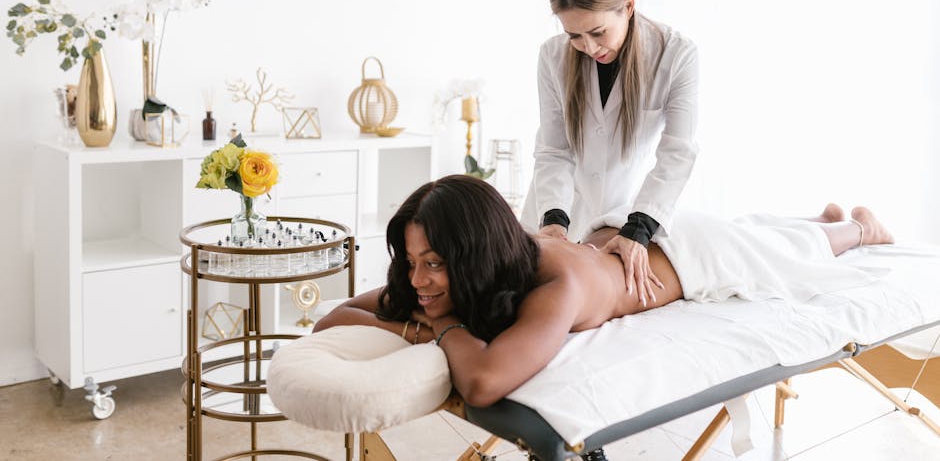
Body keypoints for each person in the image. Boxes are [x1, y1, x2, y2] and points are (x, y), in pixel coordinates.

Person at [315, 175, 894, 460]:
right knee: (763, 233)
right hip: (612, 231)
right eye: (412, 263)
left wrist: (438, 327)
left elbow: (483, 380)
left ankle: (853, 227)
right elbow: (334, 317)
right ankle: (816, 217)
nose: (416, 282)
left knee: (786, 254)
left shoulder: (555, 286)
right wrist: (416, 321)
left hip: (688, 257)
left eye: (433, 264)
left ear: (470, 255)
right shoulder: (454, 276)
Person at [520, 0, 700, 309]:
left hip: (625, 215)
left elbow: (677, 153)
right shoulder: (552, 56)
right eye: (574, 35)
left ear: (628, 7)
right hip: (551, 215)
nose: (588, 47)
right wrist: (554, 218)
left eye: (598, 32)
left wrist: (638, 230)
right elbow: (554, 150)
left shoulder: (676, 54)